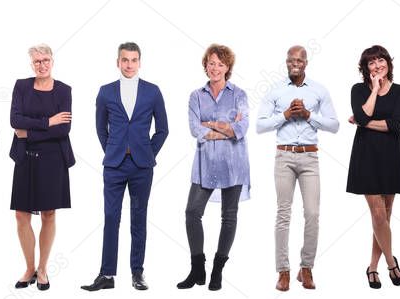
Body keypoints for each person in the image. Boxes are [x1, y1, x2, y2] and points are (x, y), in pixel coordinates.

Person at [82, 42, 169, 292]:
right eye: (125, 60)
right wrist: (112, 150)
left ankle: (137, 272)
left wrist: (148, 153)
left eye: (133, 60)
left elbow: (163, 129)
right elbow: (100, 128)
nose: (129, 64)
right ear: (117, 62)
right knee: (111, 217)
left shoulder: (152, 91)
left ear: (140, 62)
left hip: (142, 166)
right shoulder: (106, 91)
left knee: (138, 218)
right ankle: (107, 275)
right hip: (114, 165)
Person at [256, 45, 339, 291]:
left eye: (299, 60)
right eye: (291, 60)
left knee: (312, 213)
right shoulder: (275, 90)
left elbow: (334, 125)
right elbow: (260, 126)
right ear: (286, 62)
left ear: (306, 62)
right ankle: (283, 271)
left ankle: (306, 268)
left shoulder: (318, 90)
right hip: (284, 156)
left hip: (309, 158)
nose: (295, 63)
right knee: (283, 214)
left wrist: (307, 114)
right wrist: (285, 114)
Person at [175, 43, 250, 292]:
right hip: (205, 164)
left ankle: (218, 269)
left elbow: (241, 129)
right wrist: (224, 127)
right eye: (211, 63)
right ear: (205, 65)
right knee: (191, 213)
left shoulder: (239, 95)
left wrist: (212, 125)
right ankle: (198, 267)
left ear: (227, 67)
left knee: (229, 217)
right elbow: (195, 129)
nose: (214, 68)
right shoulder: (196, 96)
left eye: (219, 63)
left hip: (233, 165)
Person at [10, 44, 74, 291]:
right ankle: (29, 268)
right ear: (31, 64)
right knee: (21, 214)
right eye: (37, 61)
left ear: (52, 61)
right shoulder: (21, 86)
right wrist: (48, 122)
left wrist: (29, 132)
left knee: (49, 213)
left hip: (53, 160)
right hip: (25, 157)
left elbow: (64, 129)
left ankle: (44, 268)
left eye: (45, 60)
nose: (41, 65)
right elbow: (15, 121)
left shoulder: (64, 91)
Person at [346, 45, 400, 289]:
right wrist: (373, 91)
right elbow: (363, 117)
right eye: (371, 63)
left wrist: (362, 121)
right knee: (378, 214)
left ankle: (372, 267)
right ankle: (392, 262)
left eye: (380, 60)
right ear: (366, 68)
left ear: (388, 63)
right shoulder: (358, 90)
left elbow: (394, 125)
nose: (377, 66)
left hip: (391, 157)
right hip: (366, 157)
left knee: (385, 216)